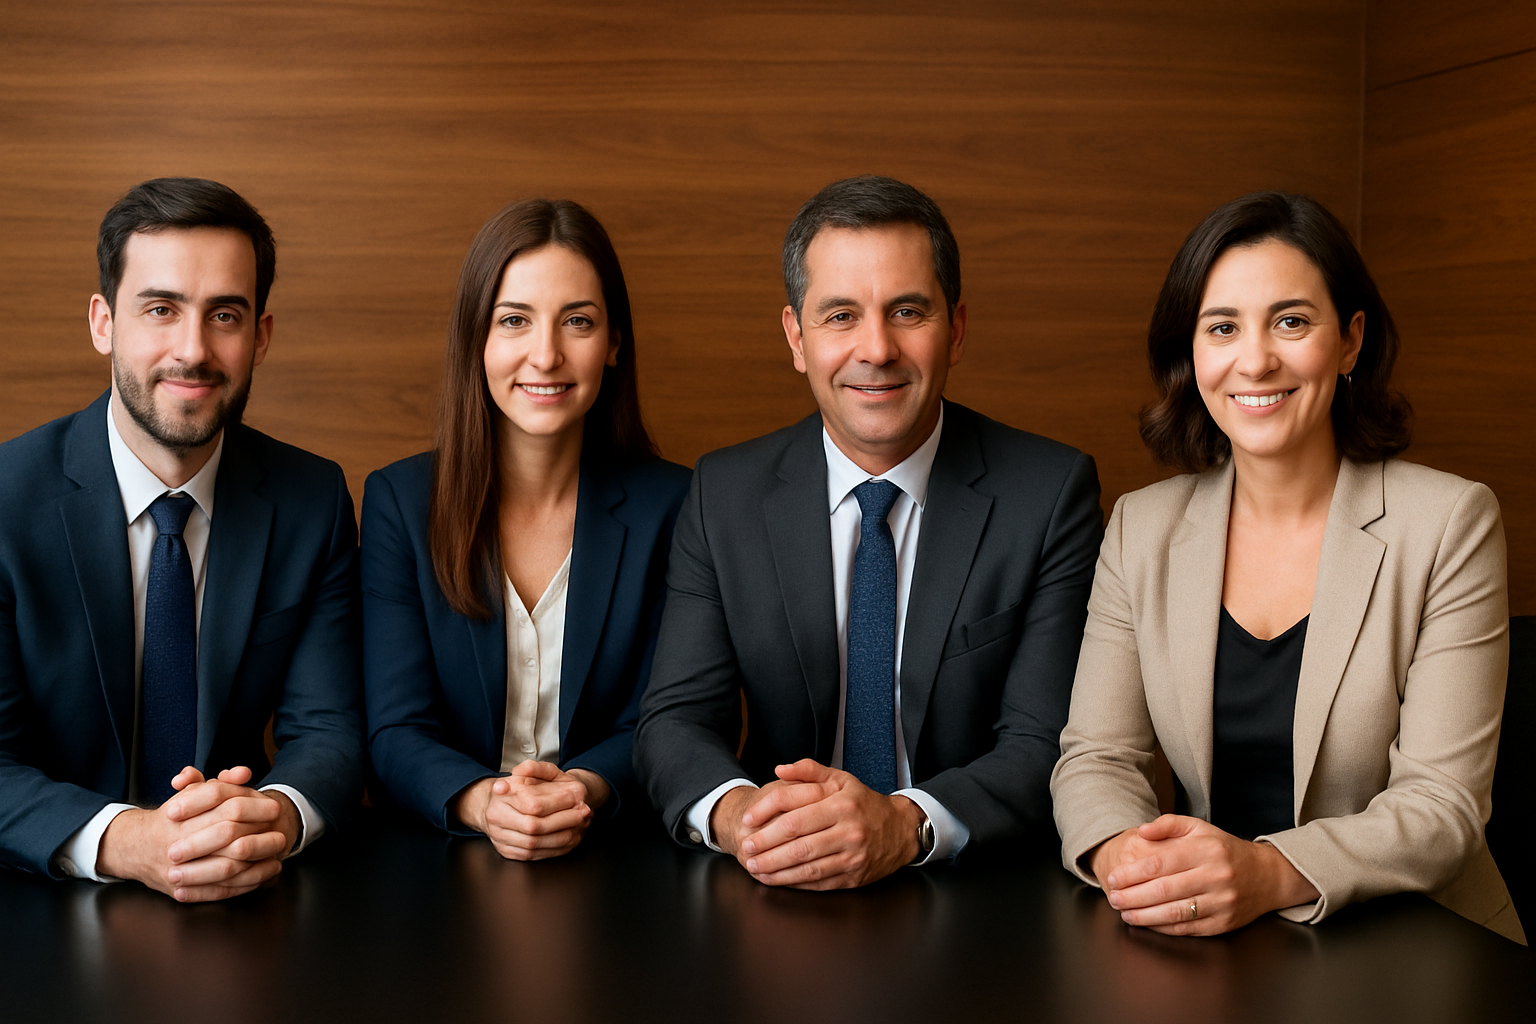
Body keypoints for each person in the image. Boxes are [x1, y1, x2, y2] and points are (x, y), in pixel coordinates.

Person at [1051, 191, 1524, 943]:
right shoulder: (1141, 528)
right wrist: (1128, 861)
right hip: (1213, 934)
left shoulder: (1449, 522)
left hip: (1421, 941)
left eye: (1292, 322)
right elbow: (1098, 758)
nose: (1256, 359)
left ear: (1350, 341)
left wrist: (1264, 871)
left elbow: (1442, 807)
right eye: (1223, 327)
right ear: (1193, 354)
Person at [634, 175, 1103, 889]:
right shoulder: (724, 493)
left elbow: (1046, 744)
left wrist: (904, 825)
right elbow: (673, 723)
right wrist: (745, 819)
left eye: (908, 311)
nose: (876, 348)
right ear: (797, 337)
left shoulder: (1049, 493)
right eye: (841, 315)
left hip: (975, 892)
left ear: (959, 328)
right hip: (777, 882)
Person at [0, 177, 365, 902]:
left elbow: (330, 729)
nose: (193, 350)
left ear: (260, 336)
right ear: (104, 322)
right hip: (41, 898)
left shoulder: (310, 498)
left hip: (242, 886)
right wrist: (129, 839)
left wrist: (274, 817)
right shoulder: (7, 500)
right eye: (160, 309)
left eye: (224, 314)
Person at [361, 199, 689, 860]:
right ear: (476, 340)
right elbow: (395, 728)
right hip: (441, 856)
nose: (546, 355)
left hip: (620, 856)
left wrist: (579, 792)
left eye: (578, 322)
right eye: (514, 321)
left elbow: (665, 721)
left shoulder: (676, 505)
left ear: (615, 342)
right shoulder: (399, 500)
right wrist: (485, 803)